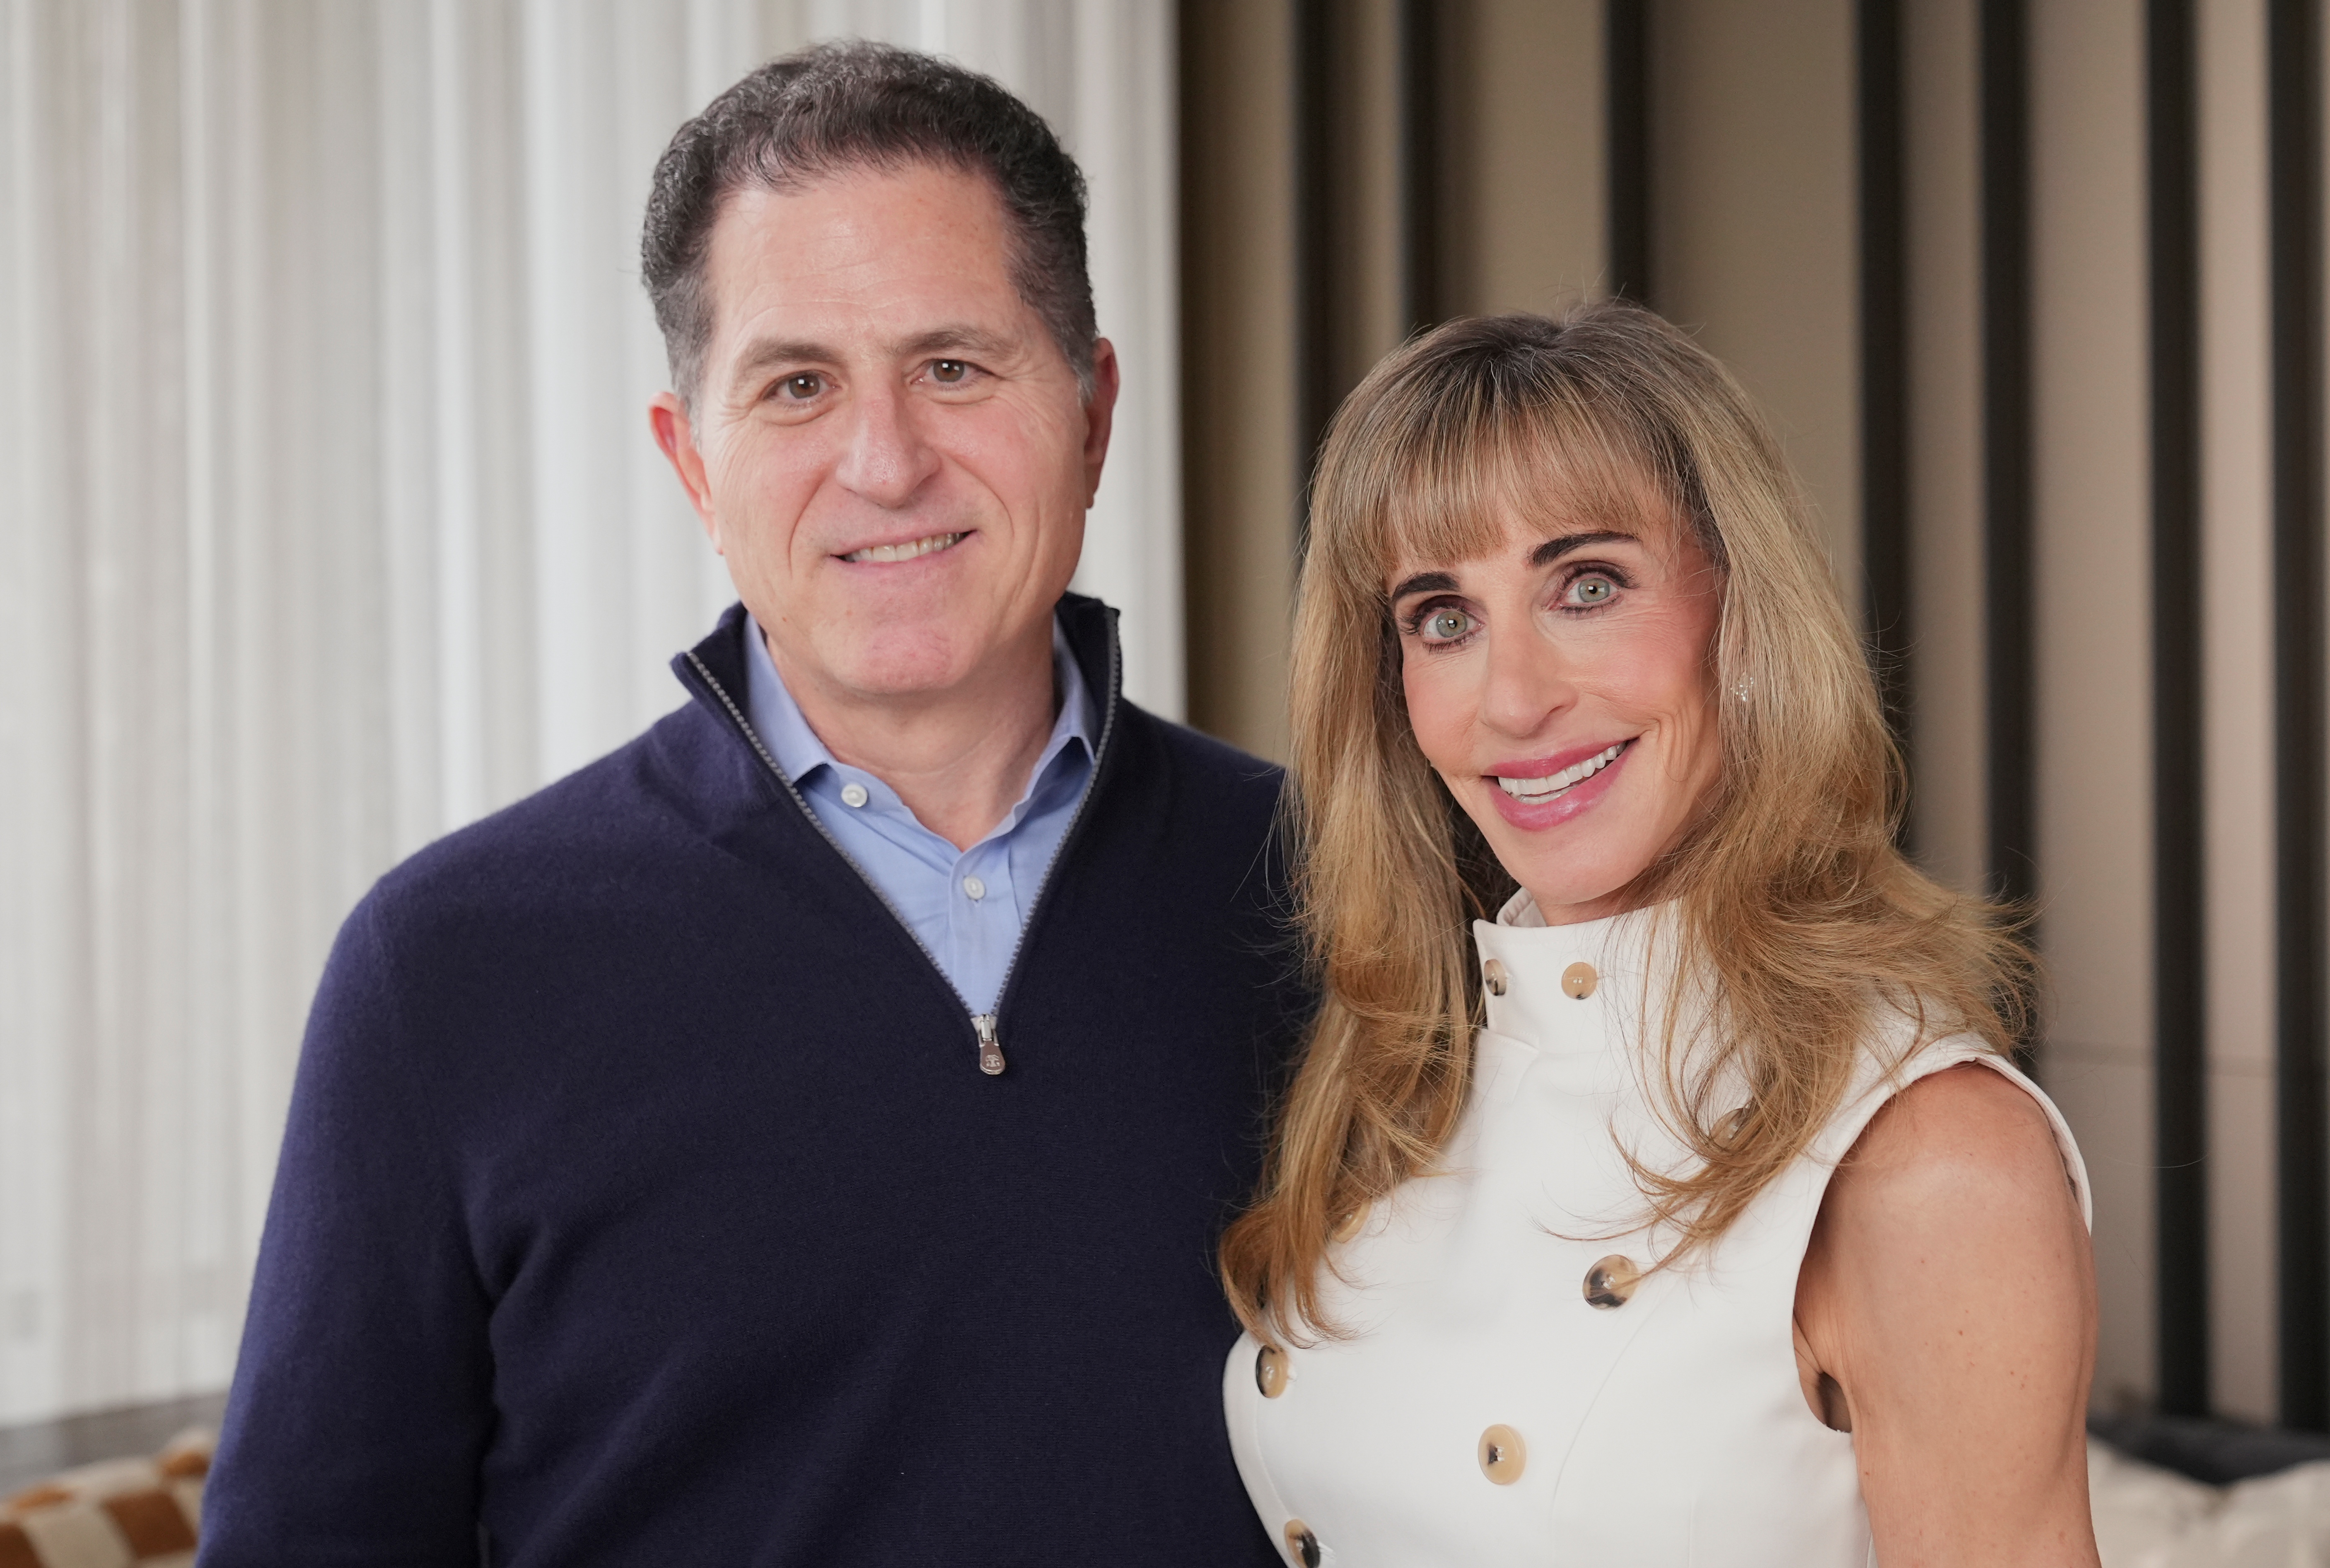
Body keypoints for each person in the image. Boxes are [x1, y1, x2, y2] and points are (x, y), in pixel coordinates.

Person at [201, 42, 1305, 1566]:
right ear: (692, 464)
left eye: (955, 366)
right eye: (797, 385)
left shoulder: (1336, 895)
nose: (887, 460)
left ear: (1095, 410)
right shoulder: (444, 971)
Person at [1219, 304, 2100, 1566]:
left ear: (1738, 615)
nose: (1513, 698)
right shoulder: (1394, 1080)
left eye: (1587, 585)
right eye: (1442, 616)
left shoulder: (1929, 1153)